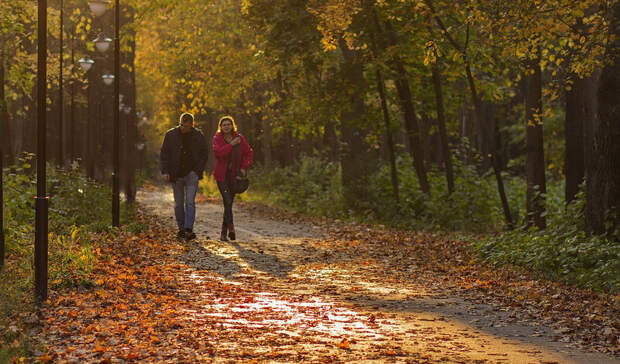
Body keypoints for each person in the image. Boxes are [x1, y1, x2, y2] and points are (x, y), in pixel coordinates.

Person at [160, 112, 208, 240]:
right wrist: (165, 171)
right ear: (179, 123)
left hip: (192, 174)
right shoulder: (171, 135)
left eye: (186, 126)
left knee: (190, 202)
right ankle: (181, 229)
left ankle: (188, 229)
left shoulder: (198, 136)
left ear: (192, 125)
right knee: (178, 203)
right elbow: (164, 154)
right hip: (176, 175)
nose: (184, 128)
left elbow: (204, 155)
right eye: (182, 125)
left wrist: (197, 171)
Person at [212, 115, 253, 241]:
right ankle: (231, 228)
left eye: (228, 124)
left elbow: (249, 152)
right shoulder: (217, 139)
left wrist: (244, 167)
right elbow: (219, 153)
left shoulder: (239, 138)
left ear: (232, 125)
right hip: (221, 176)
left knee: (228, 203)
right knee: (228, 201)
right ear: (220, 127)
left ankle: (223, 232)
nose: (226, 126)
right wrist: (231, 145)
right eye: (224, 125)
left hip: (234, 176)